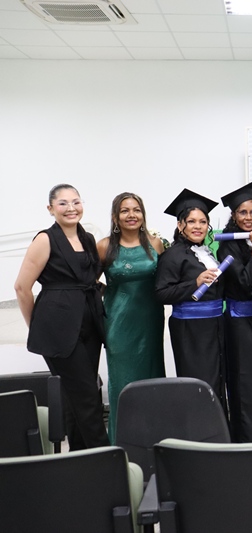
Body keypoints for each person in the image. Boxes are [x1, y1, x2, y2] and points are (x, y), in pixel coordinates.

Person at [15, 184, 109, 450]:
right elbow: (21, 287)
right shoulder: (45, 239)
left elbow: (90, 278)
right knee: (87, 397)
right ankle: (107, 458)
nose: (71, 208)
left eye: (76, 202)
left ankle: (79, 457)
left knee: (78, 395)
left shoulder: (87, 238)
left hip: (90, 324)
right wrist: (36, 326)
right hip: (57, 327)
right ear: (51, 208)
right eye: (63, 203)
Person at [97, 192, 165, 444]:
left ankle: (152, 443)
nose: (131, 215)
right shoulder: (104, 246)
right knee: (122, 383)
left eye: (136, 210)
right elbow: (89, 284)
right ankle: (122, 445)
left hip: (150, 322)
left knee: (152, 380)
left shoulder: (155, 243)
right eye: (125, 210)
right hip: (118, 324)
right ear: (115, 217)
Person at [155, 189, 226, 404]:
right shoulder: (172, 255)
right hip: (191, 330)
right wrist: (194, 283)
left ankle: (219, 425)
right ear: (180, 225)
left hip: (215, 325)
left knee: (217, 381)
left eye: (203, 222)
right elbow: (161, 293)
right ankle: (199, 426)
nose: (198, 226)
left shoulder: (207, 252)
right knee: (198, 384)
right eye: (192, 221)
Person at [217, 181, 252, 442]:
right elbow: (244, 281)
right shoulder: (227, 246)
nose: (248, 218)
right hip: (240, 322)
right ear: (233, 215)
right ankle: (248, 437)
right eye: (242, 212)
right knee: (246, 379)